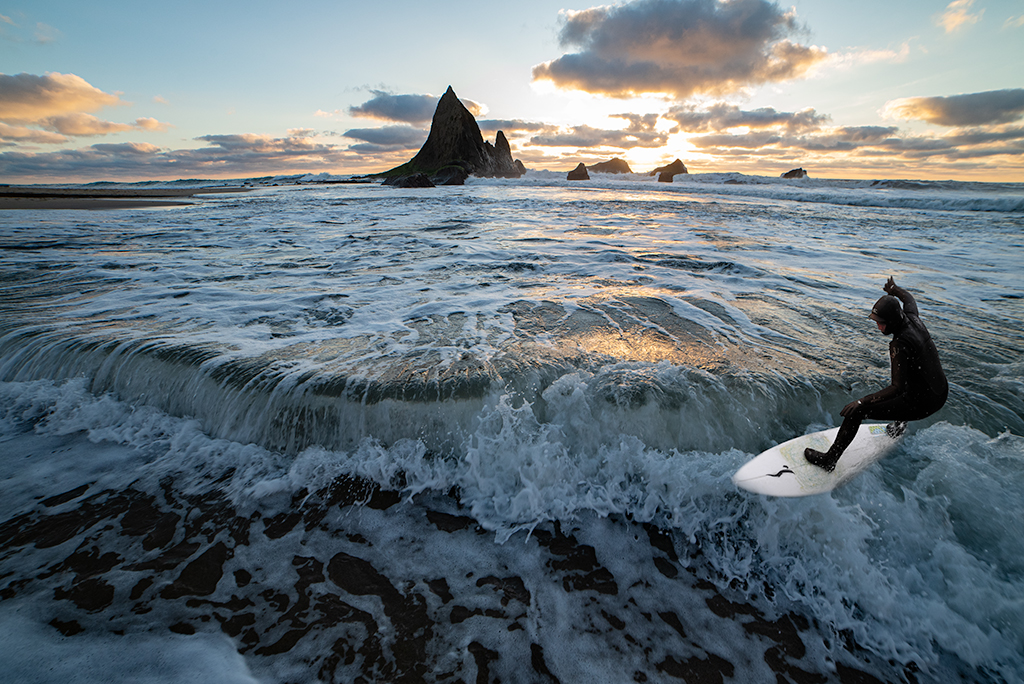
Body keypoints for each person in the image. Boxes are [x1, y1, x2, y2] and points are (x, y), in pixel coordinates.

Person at [805, 277, 948, 472]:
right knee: (910, 376)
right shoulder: (912, 318)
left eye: (881, 323)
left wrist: (861, 402)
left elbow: (896, 387)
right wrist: (894, 289)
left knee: (858, 412)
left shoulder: (899, 345)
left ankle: (829, 460)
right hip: (939, 392)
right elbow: (909, 299)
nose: (878, 327)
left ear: (892, 321)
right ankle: (899, 425)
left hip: (924, 404)